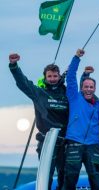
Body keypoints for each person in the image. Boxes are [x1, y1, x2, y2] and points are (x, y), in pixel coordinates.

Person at [9, 54, 68, 190]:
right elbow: (23, 83)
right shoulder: (39, 93)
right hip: (47, 142)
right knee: (46, 175)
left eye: (55, 76)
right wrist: (14, 66)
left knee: (65, 176)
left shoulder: (67, 94)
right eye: (49, 76)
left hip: (65, 141)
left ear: (59, 77)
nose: (52, 79)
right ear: (45, 78)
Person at [63, 49, 99, 190]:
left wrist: (86, 74)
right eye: (86, 87)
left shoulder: (98, 104)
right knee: (70, 179)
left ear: (95, 88)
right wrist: (76, 58)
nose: (88, 89)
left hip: (93, 145)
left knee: (97, 179)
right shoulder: (74, 97)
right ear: (81, 88)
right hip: (75, 142)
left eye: (91, 87)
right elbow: (71, 77)